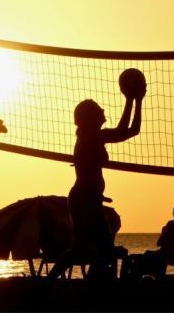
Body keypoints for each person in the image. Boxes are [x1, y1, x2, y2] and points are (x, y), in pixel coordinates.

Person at [48, 89, 144, 279]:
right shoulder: (92, 137)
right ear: (90, 117)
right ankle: (50, 281)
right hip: (83, 199)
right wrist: (132, 99)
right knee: (84, 248)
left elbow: (130, 131)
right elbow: (124, 131)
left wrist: (135, 100)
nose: (103, 110)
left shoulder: (93, 136)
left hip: (88, 199)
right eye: (99, 109)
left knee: (101, 248)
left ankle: (91, 281)